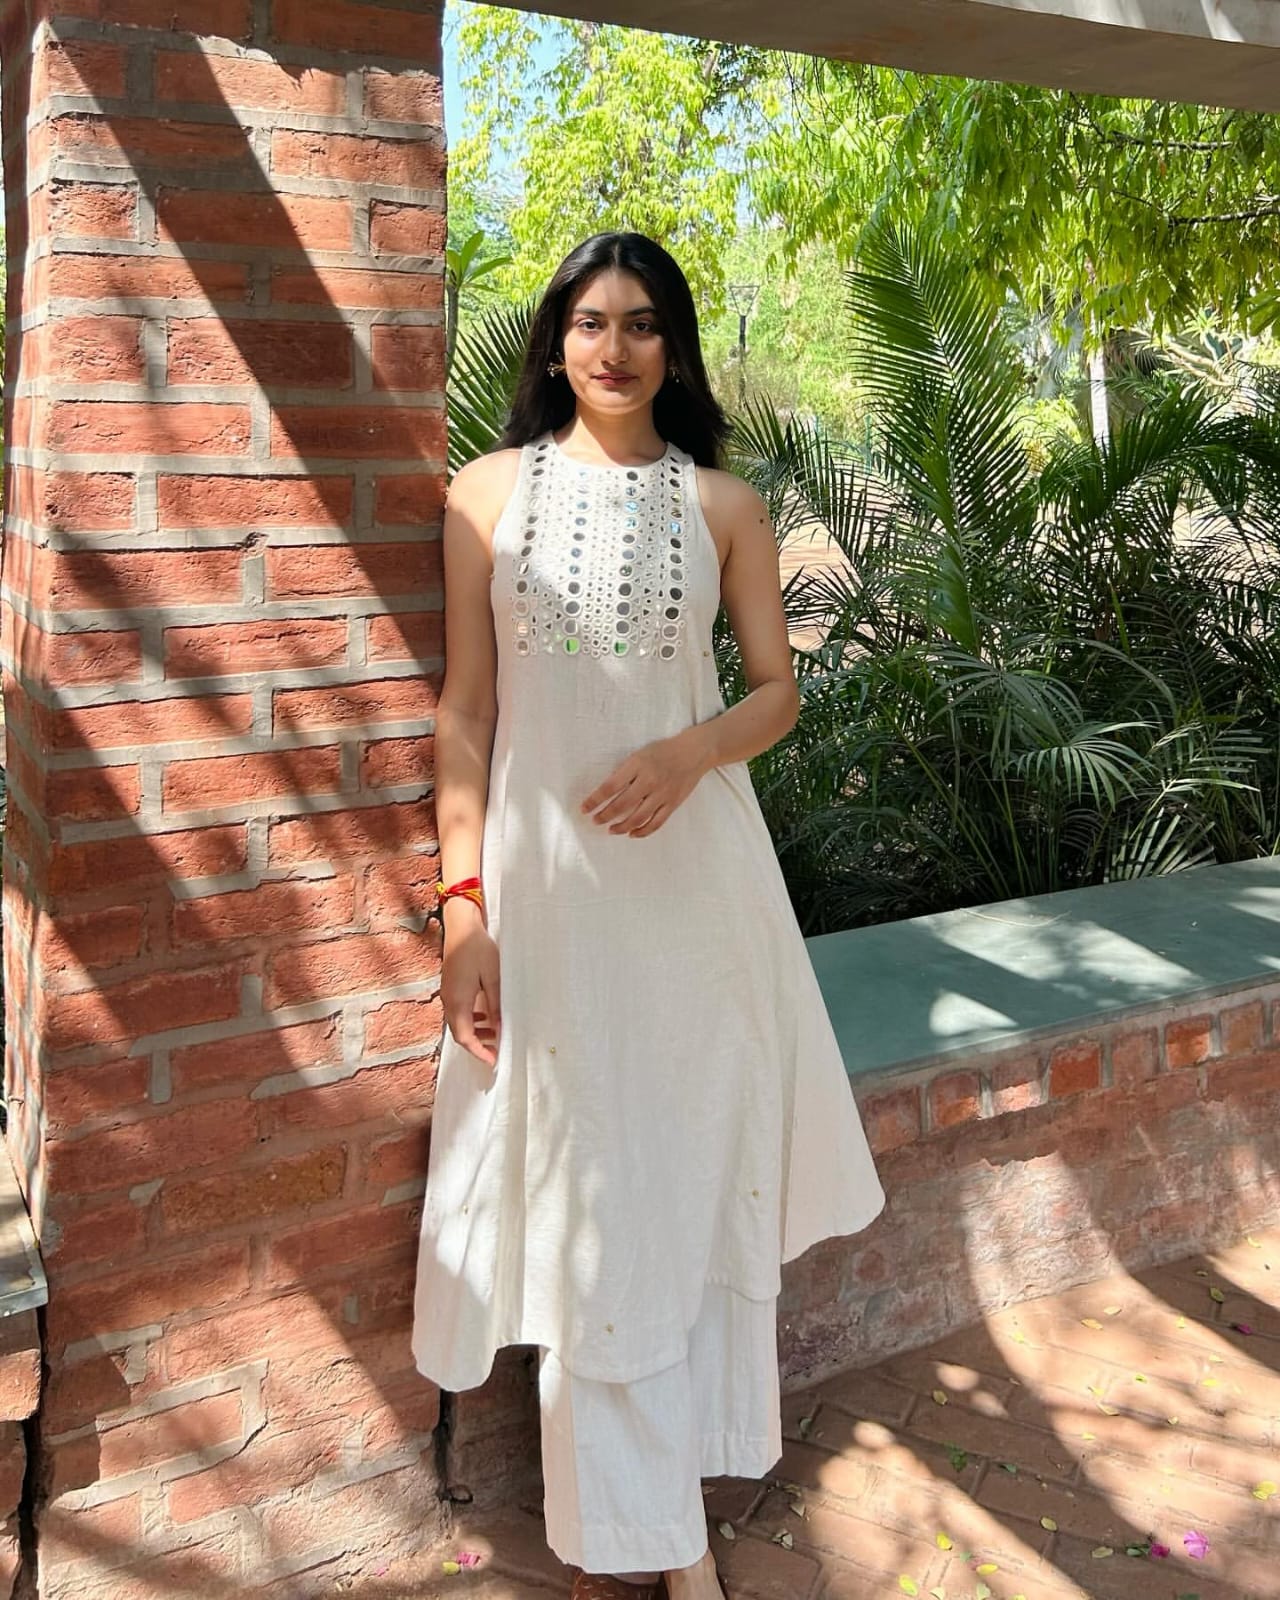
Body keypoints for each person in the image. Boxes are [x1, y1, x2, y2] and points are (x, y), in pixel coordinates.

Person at [411, 232, 886, 1600]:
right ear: (556, 340)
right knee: (589, 1197)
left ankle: (669, 1525)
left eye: (640, 323)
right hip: (552, 906)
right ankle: (645, 1534)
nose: (612, 347)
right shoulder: (489, 492)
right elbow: (466, 713)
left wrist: (687, 754)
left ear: (673, 348)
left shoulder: (724, 506)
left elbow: (776, 692)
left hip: (697, 903)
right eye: (589, 321)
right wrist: (462, 913)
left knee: (681, 1185)